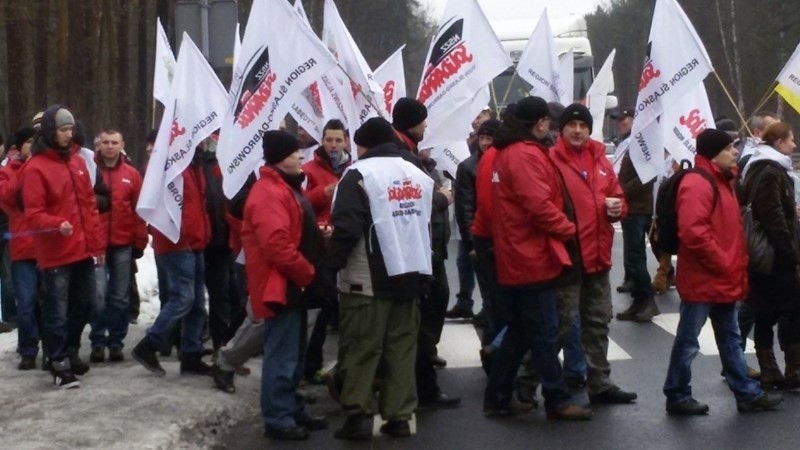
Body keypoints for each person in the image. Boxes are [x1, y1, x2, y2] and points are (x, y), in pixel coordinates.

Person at [483, 96, 592, 421]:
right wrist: (568, 228)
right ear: (541, 123)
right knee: (545, 331)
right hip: (530, 255)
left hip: (519, 253)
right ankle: (557, 400)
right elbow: (538, 205)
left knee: (521, 330)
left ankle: (498, 396)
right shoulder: (525, 154)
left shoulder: (511, 151)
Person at [662, 128, 782, 415]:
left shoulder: (721, 180)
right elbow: (693, 233)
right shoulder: (699, 183)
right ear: (715, 153)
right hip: (705, 278)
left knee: (730, 338)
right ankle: (677, 394)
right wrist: (725, 262)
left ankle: (746, 393)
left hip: (720, 278)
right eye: (730, 148)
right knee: (690, 340)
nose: (735, 153)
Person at [326, 117, 432, 440]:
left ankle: (358, 416)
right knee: (401, 349)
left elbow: (347, 227)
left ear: (363, 145)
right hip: (411, 274)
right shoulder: (418, 174)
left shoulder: (359, 174)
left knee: (362, 348)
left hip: (368, 277)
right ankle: (399, 416)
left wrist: (329, 265)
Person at [242, 131, 329, 441]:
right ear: (280, 157)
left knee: (294, 352)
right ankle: (278, 416)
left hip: (293, 285)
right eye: (295, 153)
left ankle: (290, 406)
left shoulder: (284, 187)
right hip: (281, 285)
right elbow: (276, 244)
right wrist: (306, 272)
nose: (301, 157)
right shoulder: (268, 192)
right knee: (282, 354)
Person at [551, 104, 637, 404]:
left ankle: (599, 382)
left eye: (583, 126)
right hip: (568, 259)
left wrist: (618, 208)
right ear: (561, 130)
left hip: (598, 257)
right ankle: (523, 386)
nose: (577, 131)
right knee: (559, 327)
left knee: (598, 322)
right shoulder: (551, 161)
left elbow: (619, 199)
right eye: (572, 125)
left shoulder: (601, 158)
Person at [21, 105, 105, 388]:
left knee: (87, 303)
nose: (69, 134)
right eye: (62, 130)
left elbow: (90, 208)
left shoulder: (79, 162)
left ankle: (69, 350)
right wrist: (56, 223)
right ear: (49, 131)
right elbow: (33, 214)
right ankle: (57, 362)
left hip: (82, 249)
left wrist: (97, 246)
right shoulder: (35, 168)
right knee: (56, 309)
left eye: (70, 129)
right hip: (56, 252)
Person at [392, 97, 460, 407]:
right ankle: (422, 389)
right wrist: (443, 198)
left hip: (426, 247)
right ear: (410, 123)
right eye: (422, 120)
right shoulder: (402, 157)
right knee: (417, 318)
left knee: (429, 308)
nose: (427, 126)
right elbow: (415, 202)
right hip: (418, 251)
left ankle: (420, 377)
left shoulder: (408, 154)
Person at [132, 146, 212, 377]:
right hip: (176, 242)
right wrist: (181, 234)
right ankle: (150, 343)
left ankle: (191, 353)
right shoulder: (167, 162)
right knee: (183, 298)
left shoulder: (195, 162)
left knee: (196, 302)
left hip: (194, 240)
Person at [740, 122, 800, 389]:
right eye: (790, 140)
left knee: (769, 312)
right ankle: (785, 369)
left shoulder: (761, 167)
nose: (794, 145)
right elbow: (772, 216)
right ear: (778, 143)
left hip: (766, 255)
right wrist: (790, 251)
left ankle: (775, 368)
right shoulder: (769, 171)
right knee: (784, 311)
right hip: (773, 256)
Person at [89, 129, 147, 363]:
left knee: (120, 296)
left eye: (114, 142)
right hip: (97, 244)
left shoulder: (132, 175)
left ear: (122, 144)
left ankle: (116, 341)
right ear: (99, 145)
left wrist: (140, 240)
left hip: (123, 243)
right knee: (99, 294)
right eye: (106, 142)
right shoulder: (90, 172)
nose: (110, 146)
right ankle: (97, 340)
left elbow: (139, 211)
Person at [303, 119, 351, 382]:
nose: (333, 145)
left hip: (345, 246)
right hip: (320, 247)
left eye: (338, 140)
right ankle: (312, 366)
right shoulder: (309, 169)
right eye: (329, 140)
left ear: (346, 141)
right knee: (321, 309)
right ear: (322, 141)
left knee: (345, 309)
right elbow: (301, 202)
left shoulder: (353, 168)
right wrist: (324, 192)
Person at [448, 119, 501, 320]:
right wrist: (471, 239)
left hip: (496, 232)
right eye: (483, 138)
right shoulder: (468, 167)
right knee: (470, 266)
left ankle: (488, 310)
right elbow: (465, 206)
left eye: (490, 138)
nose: (486, 142)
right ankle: (469, 304)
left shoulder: (504, 161)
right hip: (477, 232)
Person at [0, 127, 40, 368]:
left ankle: (53, 348)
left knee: (50, 303)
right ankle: (28, 348)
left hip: (49, 248)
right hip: (23, 249)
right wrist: (27, 167)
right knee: (24, 303)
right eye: (29, 143)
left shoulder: (46, 166)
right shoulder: (7, 172)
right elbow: (11, 199)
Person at [615, 146, 658, 321]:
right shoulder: (632, 145)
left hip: (638, 209)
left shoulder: (644, 144)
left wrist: (621, 191)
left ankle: (646, 299)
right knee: (632, 258)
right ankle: (639, 300)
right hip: (631, 208)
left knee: (636, 257)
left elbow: (646, 176)